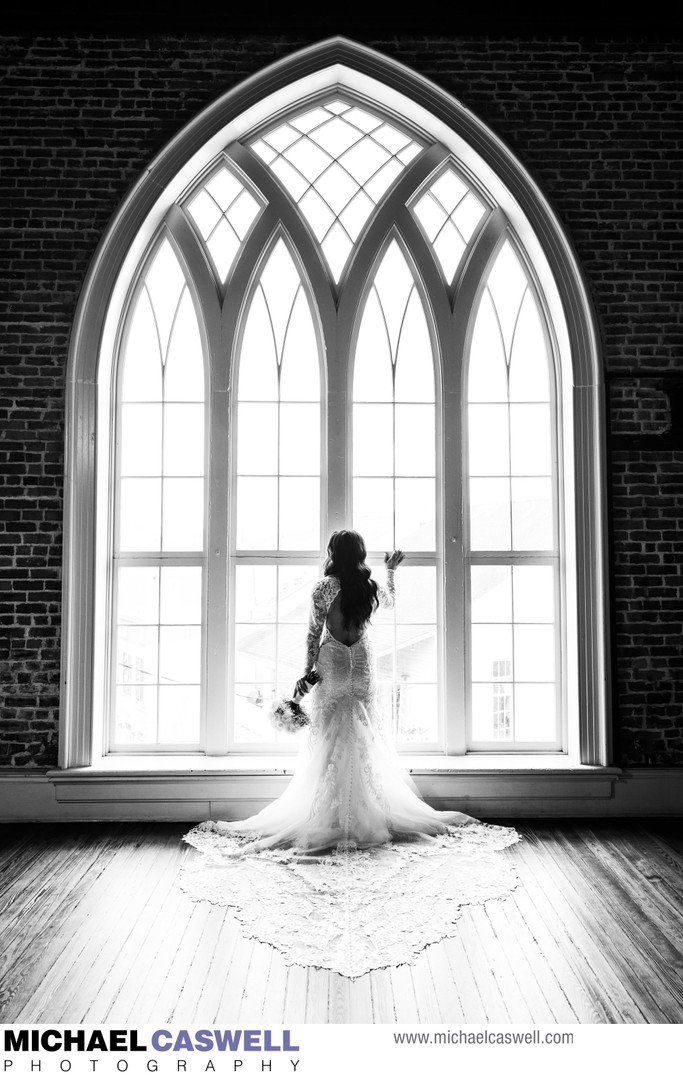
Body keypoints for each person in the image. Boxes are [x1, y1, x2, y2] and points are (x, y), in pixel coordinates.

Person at [192, 529, 477, 857]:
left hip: (334, 661)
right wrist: (391, 571)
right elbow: (391, 602)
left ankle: (331, 812)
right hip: (362, 662)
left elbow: (313, 634)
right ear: (359, 555)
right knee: (363, 734)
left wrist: (306, 675)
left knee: (329, 737)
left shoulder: (323, 588)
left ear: (332, 553)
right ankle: (367, 811)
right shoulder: (368, 587)